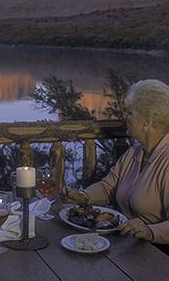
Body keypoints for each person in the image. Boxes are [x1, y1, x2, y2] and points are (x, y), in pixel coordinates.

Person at [61, 79, 169, 246]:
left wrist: (150, 231)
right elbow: (108, 187)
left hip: (156, 255)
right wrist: (82, 196)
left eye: (129, 113)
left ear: (147, 122)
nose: (125, 117)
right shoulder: (135, 151)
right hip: (126, 246)